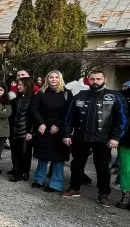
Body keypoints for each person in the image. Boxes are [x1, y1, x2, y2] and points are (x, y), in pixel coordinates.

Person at [62, 71, 128, 207]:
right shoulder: (80, 95)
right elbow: (69, 116)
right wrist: (67, 134)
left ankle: (104, 193)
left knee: (103, 167)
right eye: (92, 79)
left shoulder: (115, 96)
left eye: (98, 79)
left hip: (103, 138)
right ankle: (74, 187)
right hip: (81, 136)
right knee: (77, 163)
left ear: (104, 79)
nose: (95, 81)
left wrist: (116, 138)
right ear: (88, 80)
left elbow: (122, 119)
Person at [30, 71, 71, 193]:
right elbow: (34, 109)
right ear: (47, 79)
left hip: (59, 130)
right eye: (51, 77)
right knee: (42, 156)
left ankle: (56, 183)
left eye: (56, 77)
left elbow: (68, 112)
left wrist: (58, 125)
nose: (54, 79)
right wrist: (41, 123)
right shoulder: (41, 93)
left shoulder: (67, 94)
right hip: (44, 128)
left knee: (58, 158)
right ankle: (39, 179)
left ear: (60, 79)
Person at [9, 77, 34, 182]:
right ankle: (17, 171)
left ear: (26, 86)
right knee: (16, 151)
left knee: (25, 153)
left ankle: (24, 172)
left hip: (25, 129)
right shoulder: (16, 98)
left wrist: (30, 131)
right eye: (17, 84)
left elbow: (33, 117)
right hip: (15, 129)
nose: (17, 87)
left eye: (20, 85)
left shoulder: (33, 98)